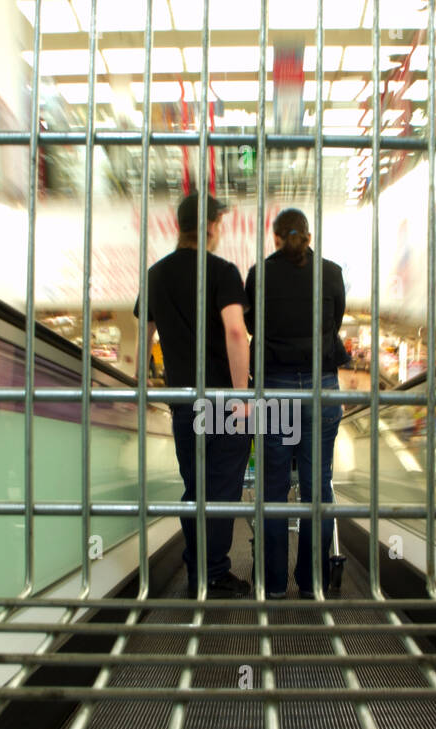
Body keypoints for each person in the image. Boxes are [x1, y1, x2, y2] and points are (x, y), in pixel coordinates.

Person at [135, 192, 252, 598]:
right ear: (212, 227)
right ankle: (214, 573)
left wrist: (139, 383)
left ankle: (197, 569)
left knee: (195, 487)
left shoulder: (156, 274)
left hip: (183, 400)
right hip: (221, 400)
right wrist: (243, 397)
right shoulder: (222, 271)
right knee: (221, 490)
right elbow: (237, 332)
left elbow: (144, 333)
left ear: (178, 227)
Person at [244, 208, 348, 599]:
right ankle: (312, 582)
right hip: (321, 385)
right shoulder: (331, 272)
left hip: (274, 387)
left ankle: (271, 585)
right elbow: (333, 321)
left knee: (272, 488)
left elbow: (252, 325)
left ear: (275, 237)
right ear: (308, 235)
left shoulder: (260, 273)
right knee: (317, 488)